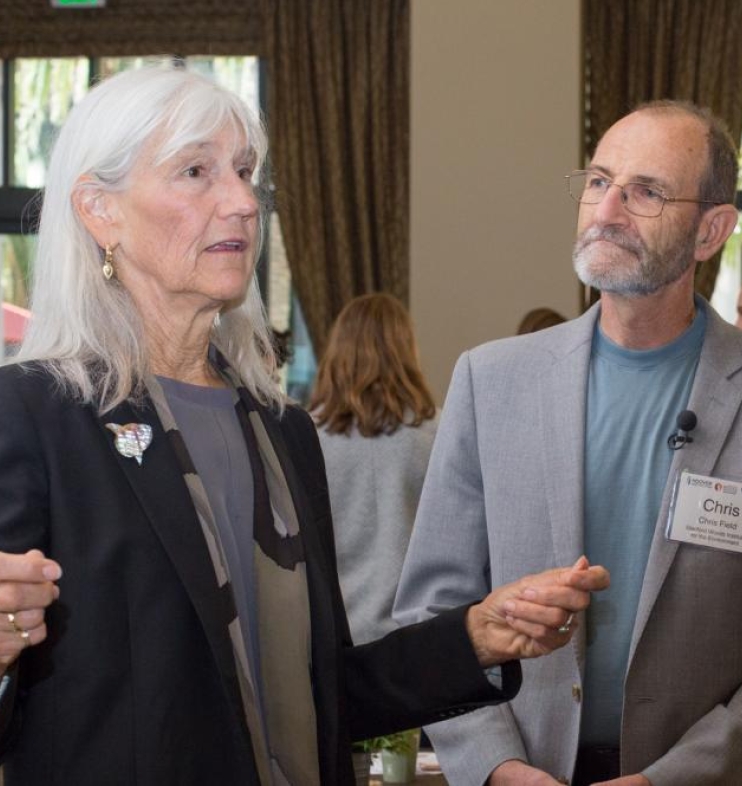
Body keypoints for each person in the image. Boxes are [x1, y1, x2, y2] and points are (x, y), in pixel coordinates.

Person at [0, 65, 609, 785]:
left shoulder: (281, 429)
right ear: (100, 211)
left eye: (246, 172)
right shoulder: (34, 415)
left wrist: (475, 636)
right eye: (196, 171)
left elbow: (321, 695)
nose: (241, 202)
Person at [394, 100, 742, 786]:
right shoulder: (491, 381)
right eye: (598, 181)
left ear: (711, 231)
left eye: (646, 191)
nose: (607, 210)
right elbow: (432, 610)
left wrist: (678, 779)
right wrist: (496, 765)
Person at [310, 292, 438, 645]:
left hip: (334, 637)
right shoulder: (440, 434)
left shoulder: (305, 438)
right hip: (416, 636)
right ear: (407, 349)